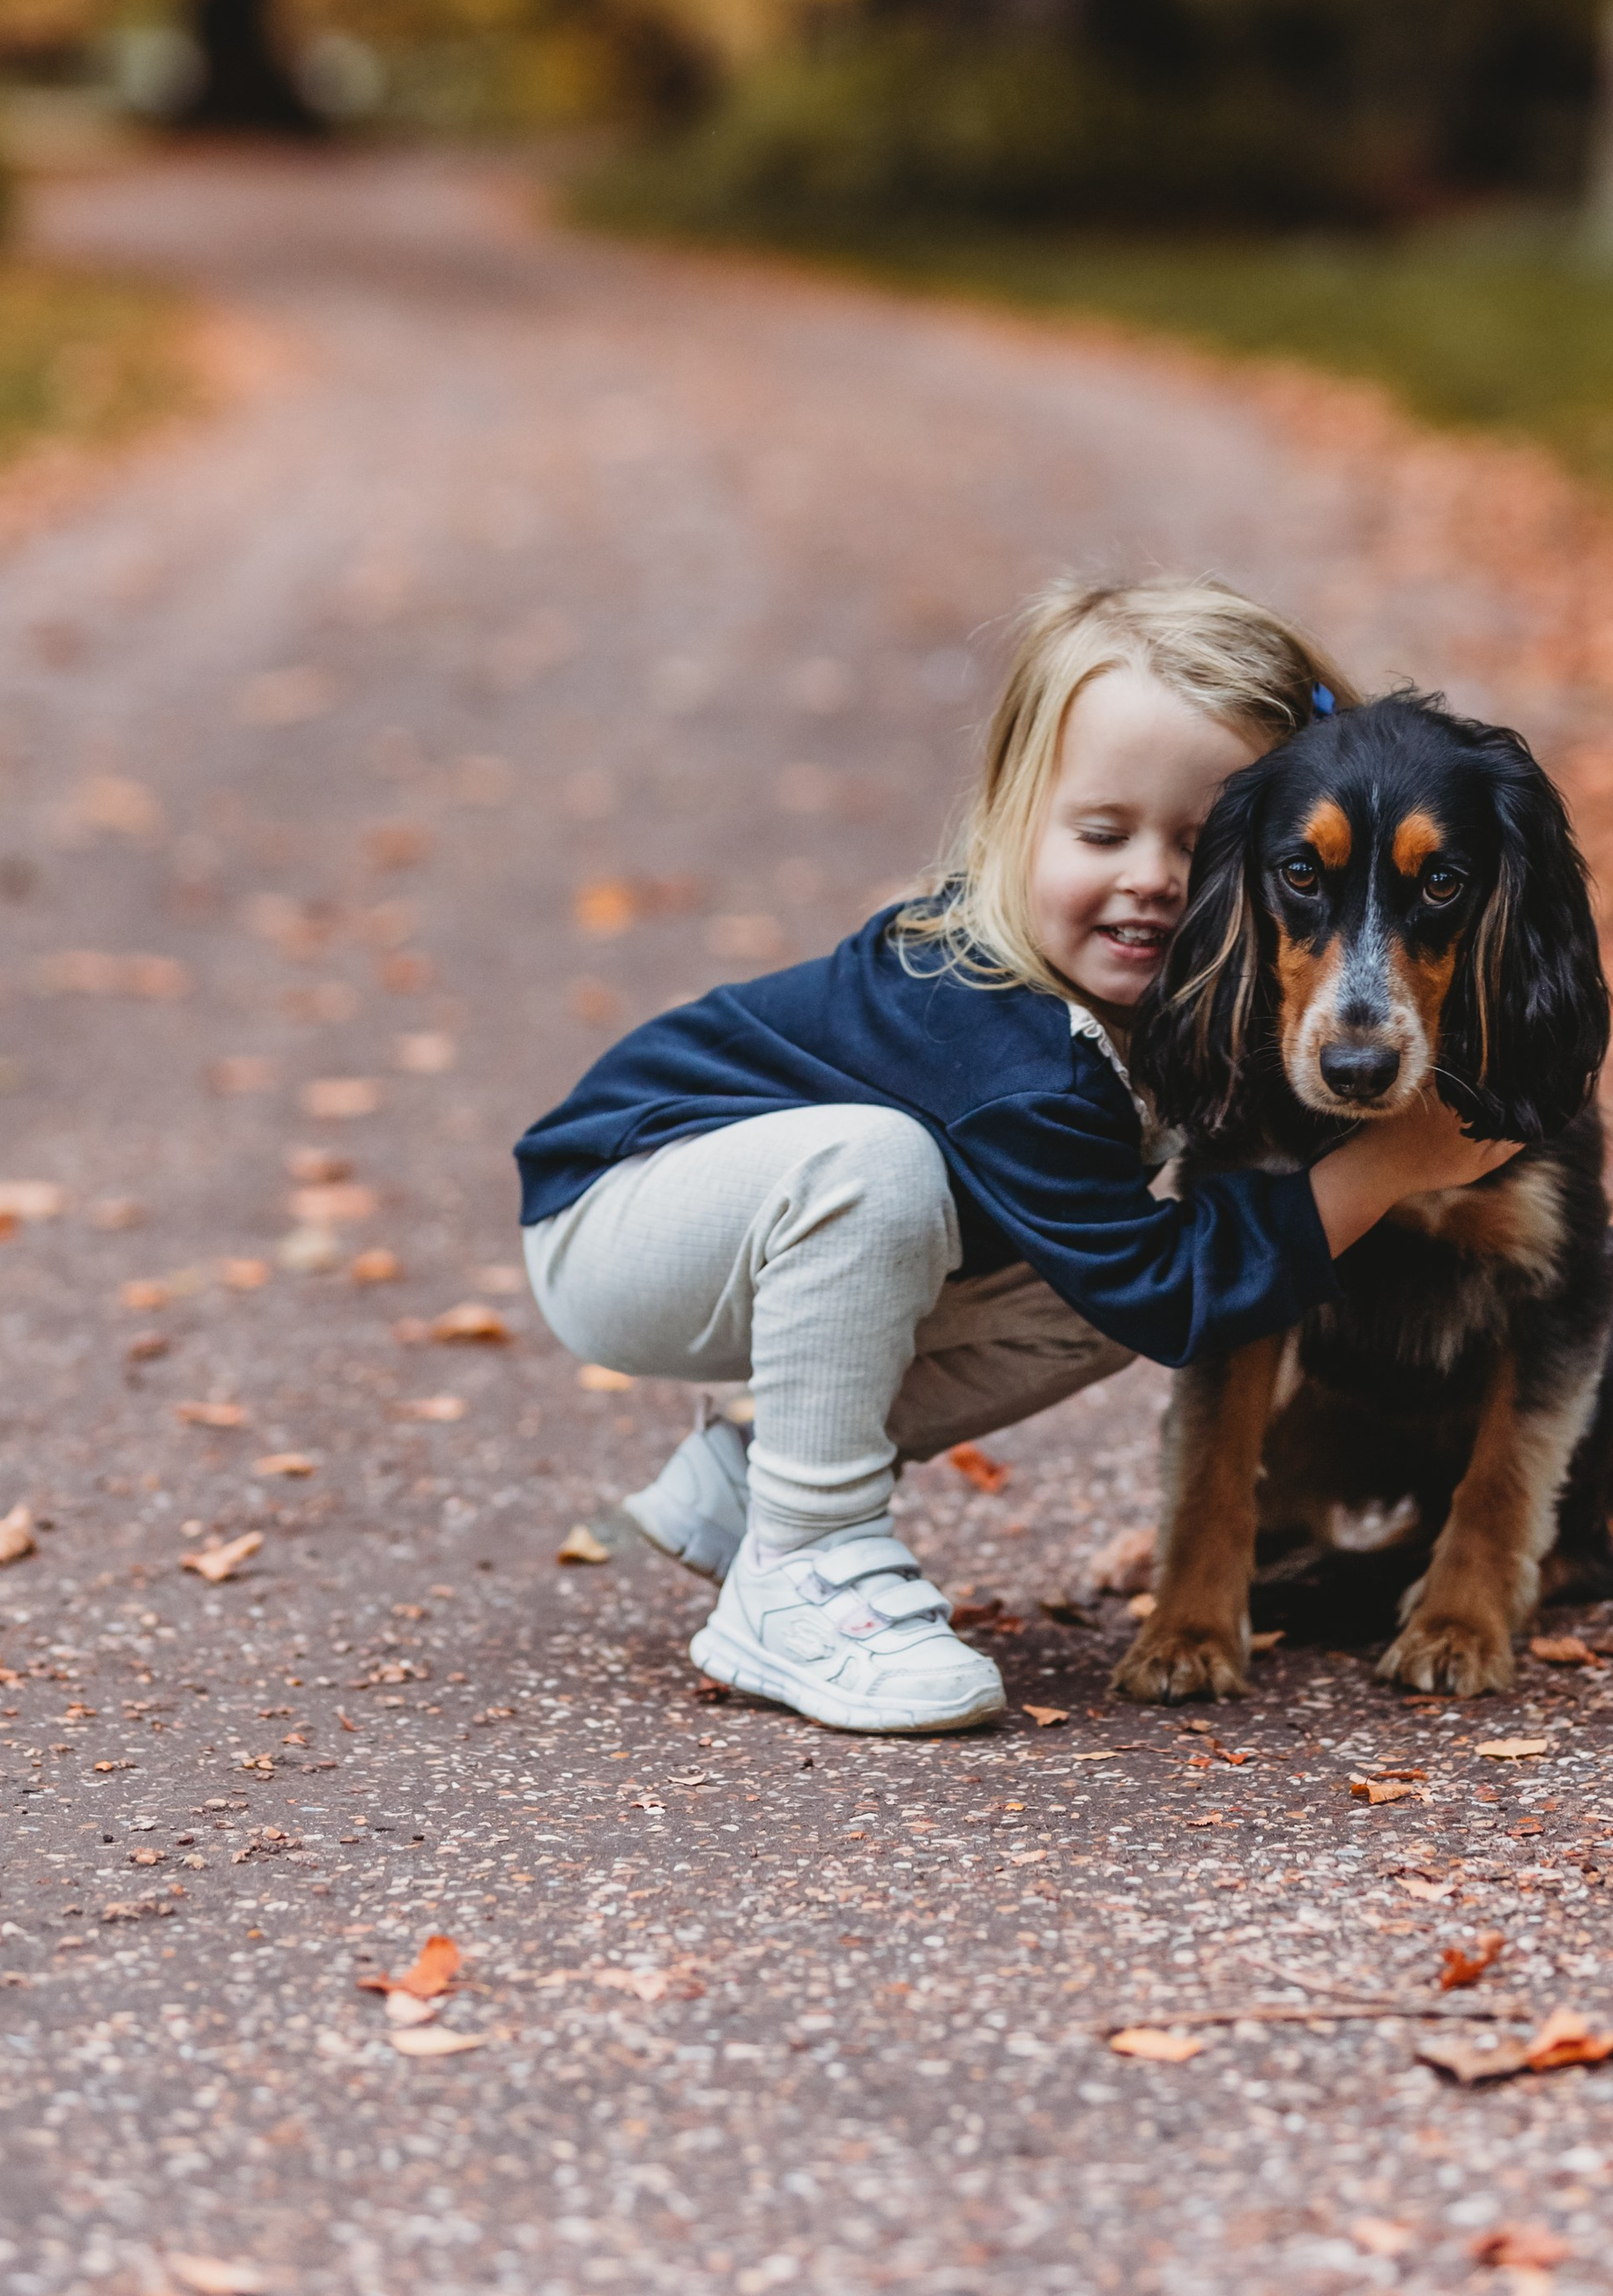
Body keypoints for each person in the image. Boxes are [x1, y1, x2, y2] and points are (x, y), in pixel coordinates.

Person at [515, 575, 1518, 1735]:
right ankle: (802, 1574)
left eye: (1199, 845)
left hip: (764, 1235)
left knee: (1100, 1290)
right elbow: (1180, 1297)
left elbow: (1153, 1285)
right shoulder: (995, 1029)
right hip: (621, 1211)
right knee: (879, 1170)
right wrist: (1390, 1165)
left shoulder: (1160, 1002)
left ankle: (750, 1481)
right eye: (1103, 832)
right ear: (1012, 817)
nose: (1148, 877)